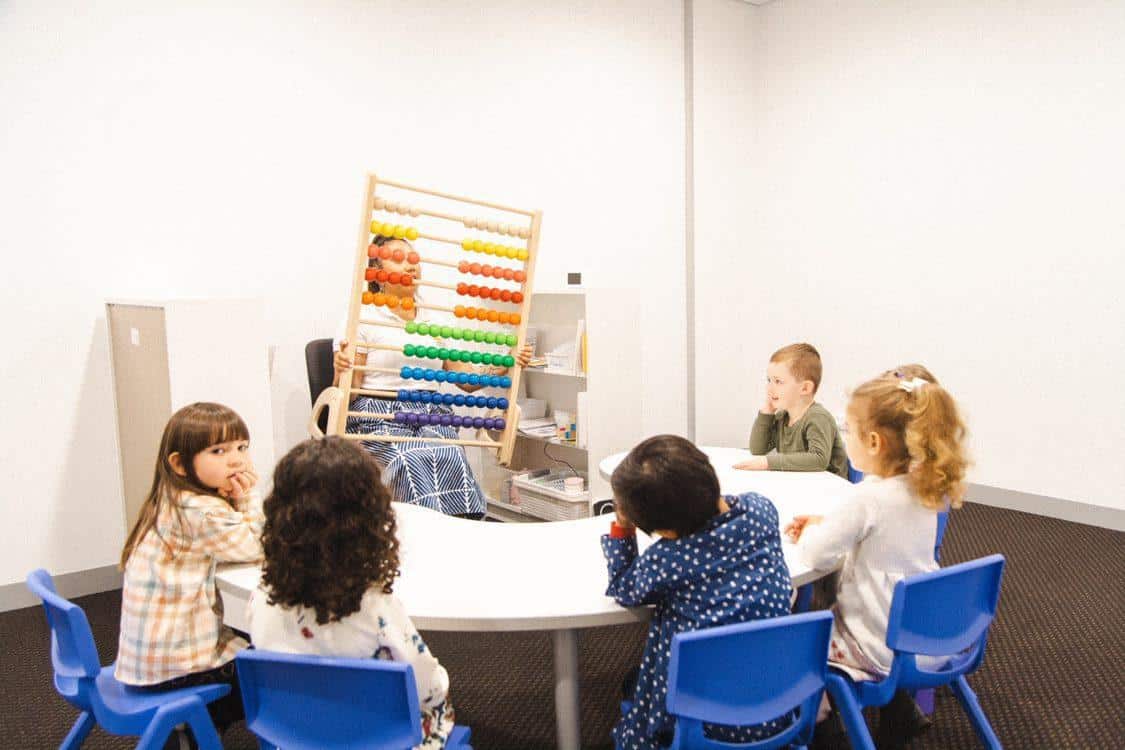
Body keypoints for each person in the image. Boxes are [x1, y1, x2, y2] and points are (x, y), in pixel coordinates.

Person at [786, 372, 969, 748]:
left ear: (873, 441)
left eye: (848, 430)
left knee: (797, 649)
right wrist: (828, 523)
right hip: (925, 635)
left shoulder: (866, 499)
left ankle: (825, 728)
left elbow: (817, 553)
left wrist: (810, 533)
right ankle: (901, 712)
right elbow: (884, 532)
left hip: (876, 641)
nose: (845, 436)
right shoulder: (923, 487)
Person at [249, 437, 455, 748]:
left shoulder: (262, 597)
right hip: (377, 738)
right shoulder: (374, 608)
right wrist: (442, 679)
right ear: (368, 519)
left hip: (293, 736)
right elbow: (427, 686)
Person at [604, 435, 795, 749]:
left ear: (665, 532)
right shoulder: (762, 510)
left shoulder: (667, 559)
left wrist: (623, 525)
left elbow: (624, 588)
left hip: (700, 727)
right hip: (776, 704)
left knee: (633, 685)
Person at [333, 233, 531, 518]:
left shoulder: (434, 319)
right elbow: (347, 392)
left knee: (450, 456)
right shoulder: (362, 316)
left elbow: (466, 381)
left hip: (429, 412)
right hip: (378, 414)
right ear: (376, 272)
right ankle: (419, 541)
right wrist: (341, 371)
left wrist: (506, 363)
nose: (410, 265)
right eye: (397, 258)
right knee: (409, 459)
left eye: (412, 258)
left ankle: (460, 536)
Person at [116, 402, 263, 745]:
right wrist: (248, 498)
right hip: (178, 668)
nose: (237, 460)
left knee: (249, 641)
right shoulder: (202, 510)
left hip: (146, 661)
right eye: (219, 450)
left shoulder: (170, 498)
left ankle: (191, 727)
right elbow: (258, 546)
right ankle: (197, 727)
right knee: (274, 671)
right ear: (180, 464)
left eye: (242, 447)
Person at [736, 342, 849, 478]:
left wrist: (768, 462)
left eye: (778, 382)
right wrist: (766, 412)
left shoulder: (818, 417)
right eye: (769, 380)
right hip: (801, 484)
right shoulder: (783, 417)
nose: (769, 388)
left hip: (830, 489)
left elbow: (819, 459)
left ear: (805, 388)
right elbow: (758, 449)